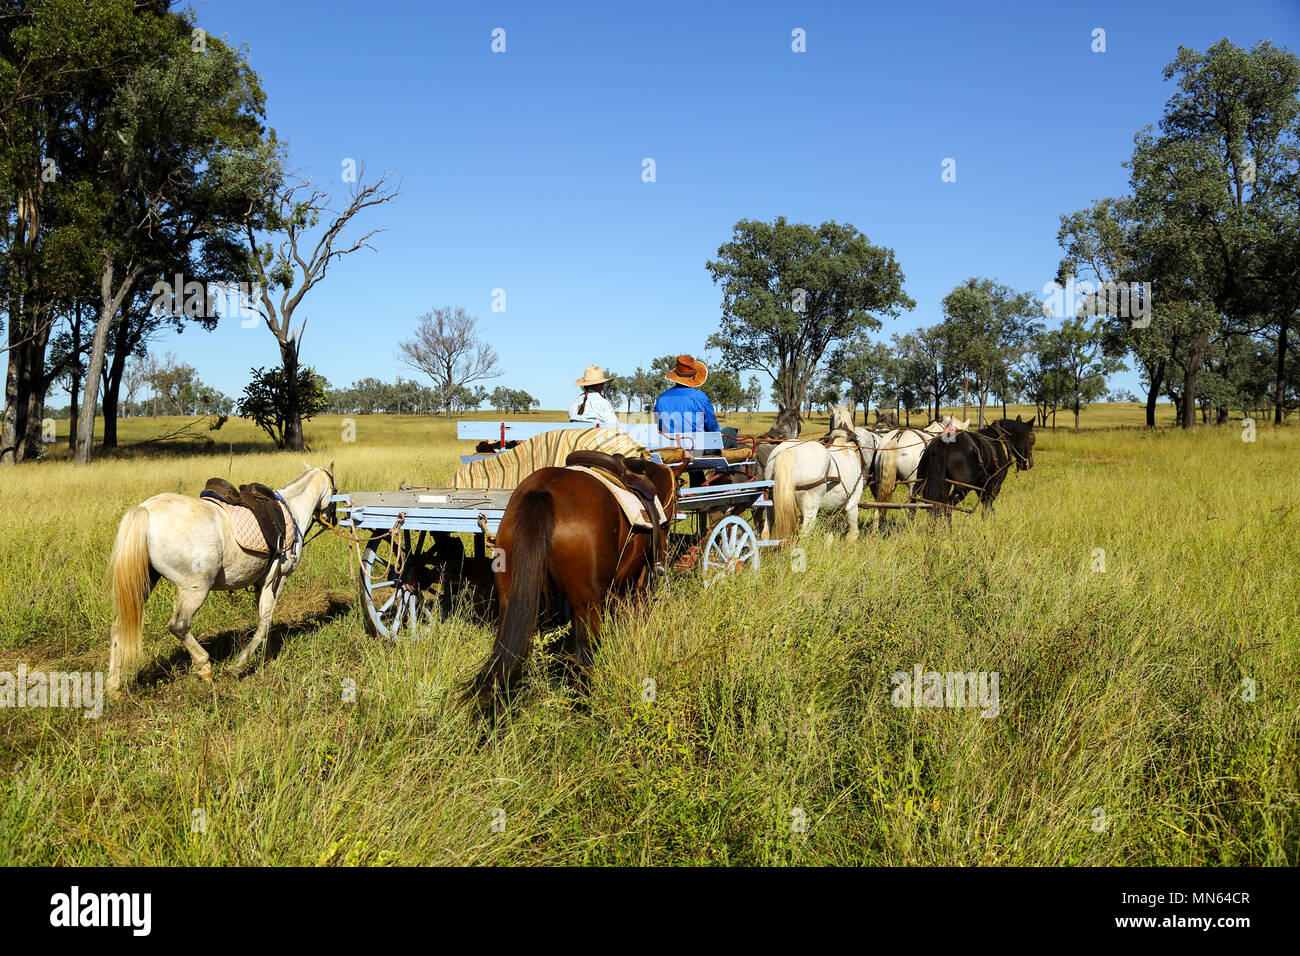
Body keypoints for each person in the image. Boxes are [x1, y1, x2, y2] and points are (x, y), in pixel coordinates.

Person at [653, 355, 718, 435]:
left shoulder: (661, 399)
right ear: (693, 378)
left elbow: (659, 426)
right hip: (696, 445)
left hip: (667, 445)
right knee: (730, 433)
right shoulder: (700, 398)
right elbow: (712, 427)